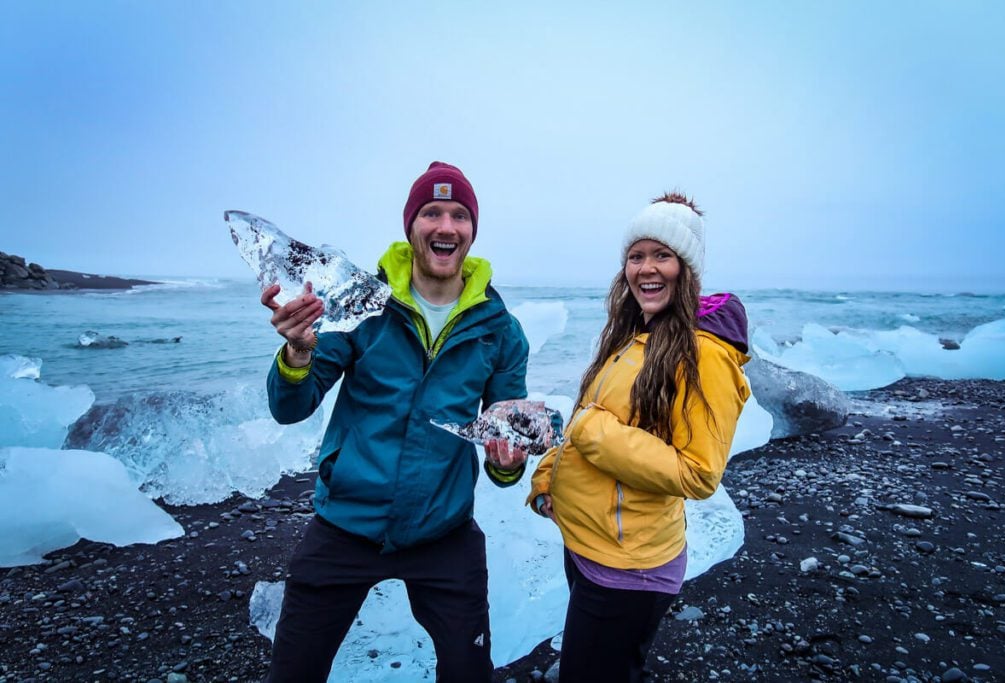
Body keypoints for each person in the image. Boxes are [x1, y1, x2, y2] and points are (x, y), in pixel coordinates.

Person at [259, 161, 531, 682]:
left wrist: (506, 463)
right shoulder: (360, 305)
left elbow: (504, 429)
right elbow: (290, 407)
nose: (446, 226)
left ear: (472, 231)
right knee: (293, 672)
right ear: (411, 227)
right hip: (345, 524)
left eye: (459, 215)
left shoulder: (500, 330)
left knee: (468, 671)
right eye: (432, 212)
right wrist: (297, 353)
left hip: (443, 530)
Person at [528, 192, 751, 682]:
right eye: (636, 256)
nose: (646, 268)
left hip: (629, 569)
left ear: (686, 268)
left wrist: (588, 429)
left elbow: (698, 472)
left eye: (662, 255)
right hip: (592, 549)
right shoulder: (635, 337)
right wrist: (548, 486)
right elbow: (595, 422)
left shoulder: (703, 354)